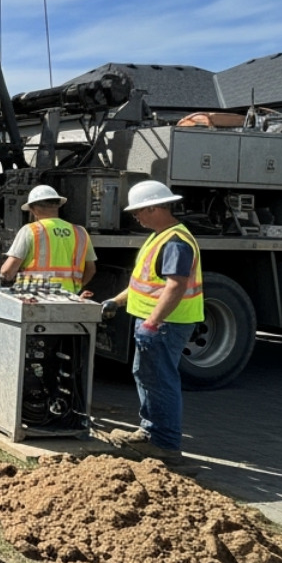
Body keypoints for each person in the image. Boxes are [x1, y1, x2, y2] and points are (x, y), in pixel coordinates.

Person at [102, 180, 205, 462]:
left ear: (155, 208)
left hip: (163, 325)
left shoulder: (175, 242)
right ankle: (150, 433)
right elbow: (143, 283)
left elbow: (175, 286)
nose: (136, 217)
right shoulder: (162, 236)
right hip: (159, 323)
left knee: (159, 381)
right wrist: (117, 300)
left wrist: (151, 322)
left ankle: (165, 444)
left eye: (139, 212)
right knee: (147, 377)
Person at [0, 184, 97, 295]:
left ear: (32, 209)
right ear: (58, 205)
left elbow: (7, 271)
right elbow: (91, 270)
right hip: (70, 298)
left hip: (35, 298)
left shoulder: (31, 230)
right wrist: (75, 289)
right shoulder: (80, 232)